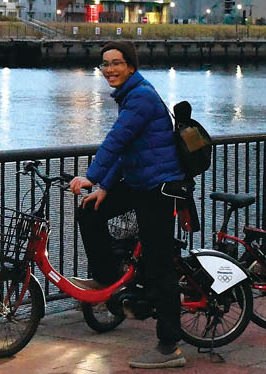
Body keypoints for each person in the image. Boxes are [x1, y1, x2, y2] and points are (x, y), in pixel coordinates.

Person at [68, 40, 188, 369]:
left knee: (159, 263)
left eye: (117, 63)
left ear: (131, 66)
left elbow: (117, 140)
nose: (109, 69)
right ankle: (107, 277)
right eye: (105, 63)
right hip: (139, 183)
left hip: (159, 188)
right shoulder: (130, 95)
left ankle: (169, 347)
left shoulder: (141, 97)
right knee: (90, 209)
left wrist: (91, 176)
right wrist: (104, 187)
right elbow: (128, 151)